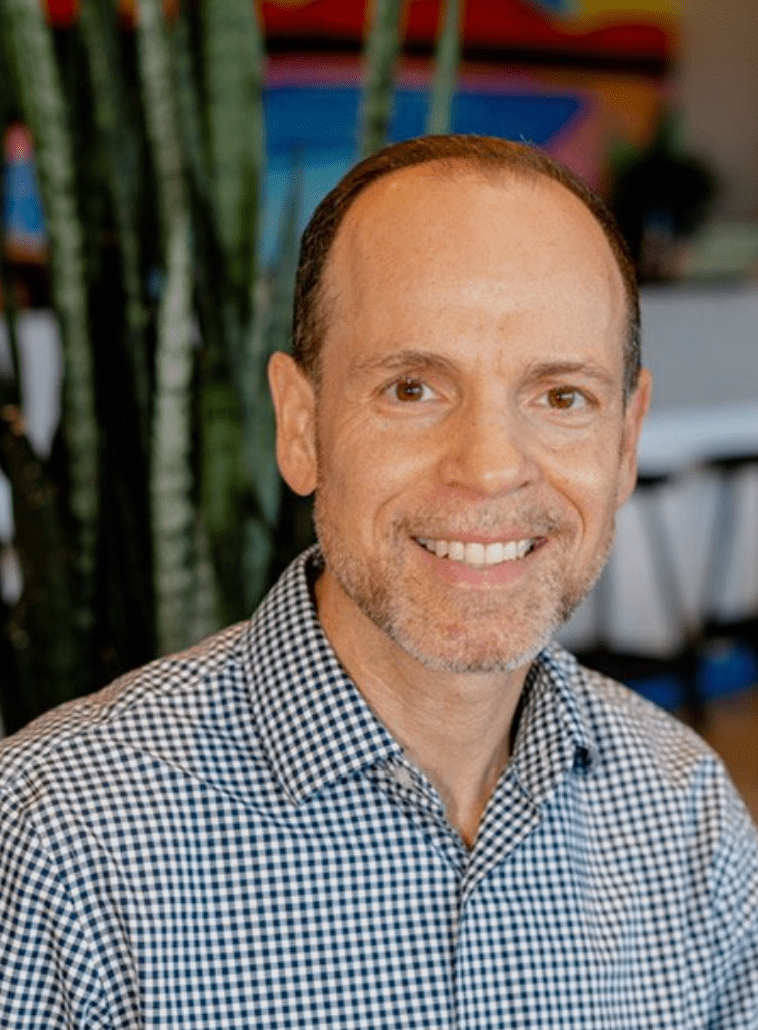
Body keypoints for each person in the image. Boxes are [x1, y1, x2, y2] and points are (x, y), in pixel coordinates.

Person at [1, 135, 756, 1028]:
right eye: (412, 389)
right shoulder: (58, 844)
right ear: (300, 426)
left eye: (562, 397)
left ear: (625, 442)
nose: (490, 468)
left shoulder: (686, 814)